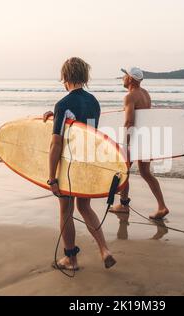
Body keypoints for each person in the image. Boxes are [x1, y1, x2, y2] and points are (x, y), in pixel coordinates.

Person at [43, 57, 116, 271]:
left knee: (66, 209)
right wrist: (54, 116)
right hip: (88, 161)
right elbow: (86, 132)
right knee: (84, 206)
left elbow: (56, 144)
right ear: (84, 76)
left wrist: (52, 177)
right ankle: (104, 250)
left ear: (65, 77)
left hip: (70, 165)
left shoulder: (63, 104)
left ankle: (71, 259)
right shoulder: (94, 102)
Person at [109, 67, 170, 220]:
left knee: (123, 171)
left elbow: (130, 122)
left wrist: (125, 144)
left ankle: (123, 205)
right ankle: (162, 206)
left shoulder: (130, 96)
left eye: (124, 75)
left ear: (130, 78)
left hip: (135, 140)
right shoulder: (145, 94)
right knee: (145, 173)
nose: (123, 78)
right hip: (146, 138)